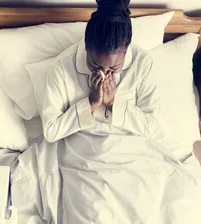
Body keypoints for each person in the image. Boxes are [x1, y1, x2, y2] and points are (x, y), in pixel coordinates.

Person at [41, 0, 163, 143]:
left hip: (132, 150)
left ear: (125, 51)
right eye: (95, 65)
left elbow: (154, 128)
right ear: (86, 46)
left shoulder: (143, 63)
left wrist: (113, 103)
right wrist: (90, 103)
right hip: (81, 152)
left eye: (113, 68)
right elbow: (51, 131)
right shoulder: (62, 67)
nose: (104, 74)